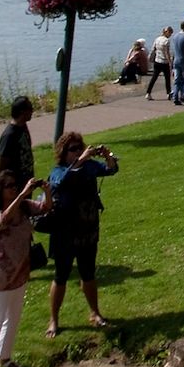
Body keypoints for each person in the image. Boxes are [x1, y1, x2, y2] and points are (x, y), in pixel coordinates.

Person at [44, 131, 118, 336]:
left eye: (80, 148)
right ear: (63, 152)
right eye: (73, 149)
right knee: (61, 276)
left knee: (88, 273)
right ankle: (54, 320)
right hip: (65, 233)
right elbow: (60, 182)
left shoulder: (89, 167)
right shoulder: (58, 171)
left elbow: (111, 170)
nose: (78, 152)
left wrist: (108, 156)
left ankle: (95, 313)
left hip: (88, 230)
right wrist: (82, 159)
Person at [0, 169, 49, 367]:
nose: (14, 188)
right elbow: (2, 221)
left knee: (14, 318)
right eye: (9, 186)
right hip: (0, 275)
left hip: (19, 273)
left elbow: (46, 208)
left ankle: (6, 358)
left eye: (15, 185)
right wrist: (22, 195)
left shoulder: (25, 208)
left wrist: (47, 191)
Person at [0, 96, 34, 182]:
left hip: (27, 181)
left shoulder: (23, 126)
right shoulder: (9, 135)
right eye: (30, 108)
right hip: (15, 185)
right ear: (22, 112)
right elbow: (0, 167)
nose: (32, 111)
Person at [169, 19, 184, 105]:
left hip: (176, 61)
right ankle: (183, 95)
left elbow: (173, 50)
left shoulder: (175, 37)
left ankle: (175, 96)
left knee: (177, 79)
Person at [146, 26, 173, 101]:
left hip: (157, 61)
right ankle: (168, 93)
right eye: (170, 33)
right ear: (167, 32)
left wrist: (150, 58)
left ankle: (148, 92)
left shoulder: (157, 39)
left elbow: (153, 49)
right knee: (167, 78)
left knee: (154, 78)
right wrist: (170, 62)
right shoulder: (166, 41)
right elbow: (167, 53)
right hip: (164, 62)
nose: (170, 35)